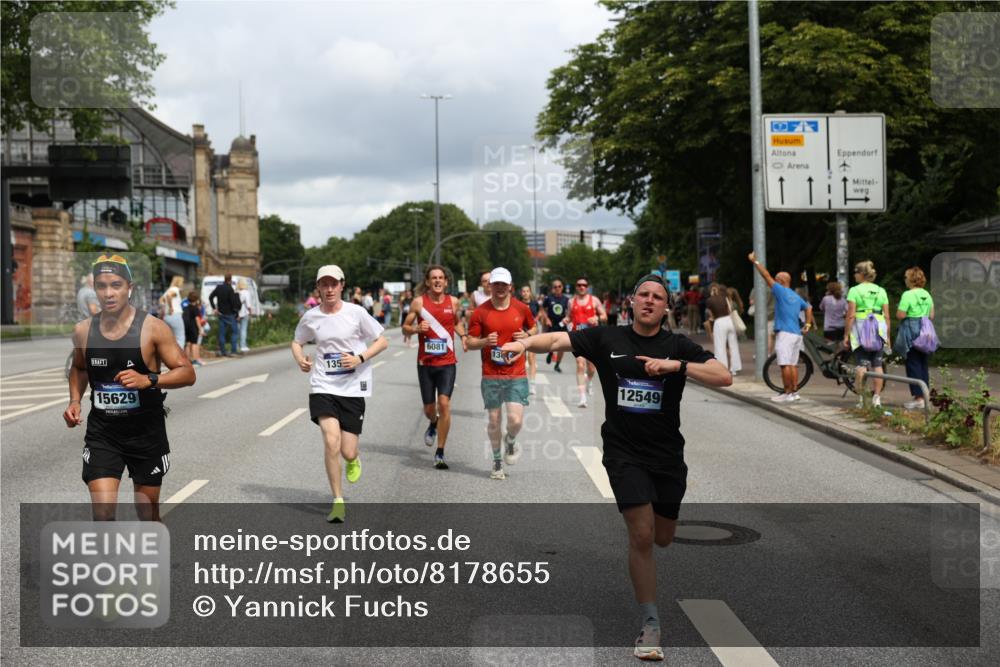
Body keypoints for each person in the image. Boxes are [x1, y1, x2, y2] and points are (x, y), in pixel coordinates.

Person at [501, 274, 731, 661]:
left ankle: (654, 575)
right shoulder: (607, 338)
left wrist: (675, 366)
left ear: (665, 306)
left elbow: (723, 375)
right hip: (623, 453)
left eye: (657, 297)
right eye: (643, 294)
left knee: (662, 537)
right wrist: (523, 343)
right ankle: (651, 623)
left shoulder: (678, 346)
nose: (649, 301)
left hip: (667, 457)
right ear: (632, 302)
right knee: (641, 536)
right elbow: (558, 339)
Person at [63, 254, 196, 521]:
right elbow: (79, 368)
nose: (108, 293)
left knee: (147, 515)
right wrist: (75, 400)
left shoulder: (153, 328)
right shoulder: (83, 331)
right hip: (103, 433)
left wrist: (149, 380)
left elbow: (188, 373)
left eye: (116, 285)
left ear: (129, 288)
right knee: (102, 514)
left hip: (145, 433)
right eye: (101, 286)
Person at [292, 265, 388, 523]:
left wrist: (360, 357)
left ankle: (353, 459)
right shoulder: (312, 317)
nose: (329, 288)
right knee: (331, 441)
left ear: (342, 285)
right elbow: (297, 340)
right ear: (319, 288)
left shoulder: (356, 313)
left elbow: (382, 340)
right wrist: (300, 359)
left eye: (334, 283)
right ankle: (337, 500)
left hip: (353, 387)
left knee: (347, 450)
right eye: (324, 284)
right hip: (323, 386)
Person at [466, 267, 536, 480]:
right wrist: (485, 341)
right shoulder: (481, 312)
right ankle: (497, 462)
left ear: (510, 287)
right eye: (496, 284)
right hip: (491, 373)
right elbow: (469, 341)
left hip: (516, 372)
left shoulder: (522, 309)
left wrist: (525, 335)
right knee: (495, 420)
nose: (499, 288)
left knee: (515, 420)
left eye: (503, 285)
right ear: (490, 286)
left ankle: (511, 441)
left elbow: (534, 330)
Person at [402, 266, 466, 469]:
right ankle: (433, 422)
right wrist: (415, 329)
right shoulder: (419, 302)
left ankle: (440, 452)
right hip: (426, 363)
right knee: (430, 409)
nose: (438, 281)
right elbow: (405, 326)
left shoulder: (453, 302)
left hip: (447, 363)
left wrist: (463, 336)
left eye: (441, 278)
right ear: (428, 282)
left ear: (446, 282)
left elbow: (456, 323)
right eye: (434, 278)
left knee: (444, 403)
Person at [748, 252, 815, 402]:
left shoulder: (780, 291)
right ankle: (794, 393)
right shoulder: (795, 296)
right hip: (796, 334)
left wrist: (755, 261)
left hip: (785, 333)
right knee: (793, 364)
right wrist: (808, 324)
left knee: (785, 364)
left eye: (777, 279)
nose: (774, 282)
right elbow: (809, 308)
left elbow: (765, 276)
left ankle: (787, 393)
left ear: (781, 281)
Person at [843, 260, 891, 408]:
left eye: (856, 273)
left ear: (861, 274)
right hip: (879, 328)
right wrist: (888, 337)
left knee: (861, 364)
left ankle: (862, 399)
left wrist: (846, 335)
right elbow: (887, 315)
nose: (854, 276)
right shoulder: (881, 290)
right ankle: (877, 398)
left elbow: (851, 315)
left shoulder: (854, 290)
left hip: (861, 329)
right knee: (877, 364)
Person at [895, 267, 935, 410]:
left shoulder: (908, 294)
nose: (905, 279)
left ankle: (918, 398)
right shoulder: (927, 294)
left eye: (906, 277)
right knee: (923, 363)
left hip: (911, 328)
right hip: (926, 329)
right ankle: (925, 396)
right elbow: (931, 316)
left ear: (911, 279)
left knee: (912, 363)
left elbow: (900, 315)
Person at [568, 277, 608, 407]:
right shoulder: (571, 301)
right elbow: (569, 317)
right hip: (577, 337)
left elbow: (604, 316)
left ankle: (589, 381)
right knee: (580, 365)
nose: (581, 287)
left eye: (584, 285)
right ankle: (582, 398)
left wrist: (597, 317)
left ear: (587, 286)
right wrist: (565, 320)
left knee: (591, 368)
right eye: (579, 285)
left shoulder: (594, 300)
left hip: (592, 338)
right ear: (576, 286)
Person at [705, 283, 742, 375]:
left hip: (719, 322)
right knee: (733, 345)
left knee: (720, 346)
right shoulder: (724, 297)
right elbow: (730, 310)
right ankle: (735, 369)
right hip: (729, 321)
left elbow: (711, 316)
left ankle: (722, 368)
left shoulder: (709, 300)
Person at [540, 278, 570, 372]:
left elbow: (570, 312)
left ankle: (557, 364)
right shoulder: (549, 298)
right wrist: (546, 318)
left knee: (562, 346)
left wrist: (567, 319)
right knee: (551, 343)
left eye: (559, 286)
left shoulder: (566, 299)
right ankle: (550, 353)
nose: (557, 288)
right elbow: (542, 309)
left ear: (562, 287)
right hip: (552, 323)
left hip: (562, 324)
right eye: (555, 286)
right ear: (553, 288)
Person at [209, 273, 240, 357]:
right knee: (235, 332)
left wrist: (214, 308)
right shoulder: (230, 289)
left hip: (221, 314)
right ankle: (233, 351)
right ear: (230, 279)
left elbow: (210, 297)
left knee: (222, 333)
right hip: (230, 314)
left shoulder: (219, 287)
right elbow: (233, 303)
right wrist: (237, 314)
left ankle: (223, 352)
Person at [519, 284, 540, 394]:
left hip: (532, 332)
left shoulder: (534, 304)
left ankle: (532, 384)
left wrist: (535, 320)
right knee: (521, 359)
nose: (525, 293)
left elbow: (538, 314)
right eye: (523, 291)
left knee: (532, 358)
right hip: (520, 333)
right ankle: (522, 382)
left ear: (530, 292)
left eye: (527, 291)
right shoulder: (517, 304)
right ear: (521, 293)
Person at [159, 275, 186, 348]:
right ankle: (179, 358)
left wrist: (163, 312)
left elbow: (161, 300)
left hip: (167, 317)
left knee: (170, 339)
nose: (183, 284)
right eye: (183, 282)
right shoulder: (175, 289)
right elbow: (169, 296)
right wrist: (171, 308)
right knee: (180, 338)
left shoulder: (169, 289)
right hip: (175, 315)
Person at [182, 291, 205, 367]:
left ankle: (187, 360)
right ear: (196, 299)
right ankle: (195, 360)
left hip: (186, 327)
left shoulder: (185, 308)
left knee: (188, 344)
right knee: (194, 344)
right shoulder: (195, 308)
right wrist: (200, 329)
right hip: (193, 328)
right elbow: (197, 319)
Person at [237, 279, 254, 353]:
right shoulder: (246, 292)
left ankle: (237, 345)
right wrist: (250, 312)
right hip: (244, 312)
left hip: (237, 313)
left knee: (237, 330)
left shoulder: (236, 292)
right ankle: (243, 346)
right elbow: (248, 304)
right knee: (243, 330)